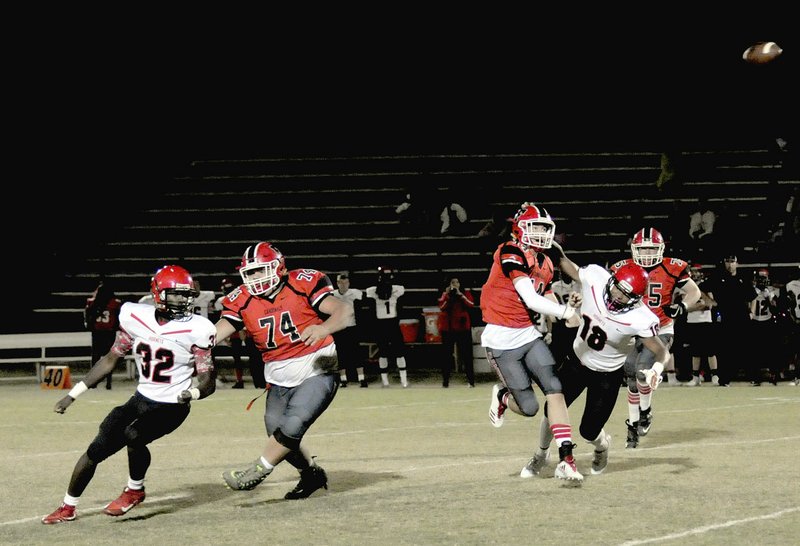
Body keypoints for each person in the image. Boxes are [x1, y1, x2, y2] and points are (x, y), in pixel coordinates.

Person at [42, 265, 217, 524]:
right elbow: (111, 358)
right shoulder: (135, 316)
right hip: (141, 398)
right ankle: (68, 507)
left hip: (172, 404)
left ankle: (134, 490)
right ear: (158, 294)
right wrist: (73, 394)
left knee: (133, 434)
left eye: (186, 295)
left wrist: (192, 393)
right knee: (97, 447)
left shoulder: (198, 328)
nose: (183, 300)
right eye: (176, 294)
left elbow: (207, 378)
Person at [217, 242, 353, 499]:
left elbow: (344, 311)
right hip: (278, 373)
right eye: (251, 273)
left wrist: (324, 328)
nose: (255, 278)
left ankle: (258, 470)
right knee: (277, 432)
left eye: (260, 270)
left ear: (278, 267)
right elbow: (217, 333)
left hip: (317, 363)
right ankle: (311, 473)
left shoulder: (303, 282)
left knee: (295, 422)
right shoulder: (241, 299)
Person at [523, 253, 669, 477]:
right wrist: (548, 240)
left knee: (588, 430)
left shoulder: (640, 318)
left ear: (636, 298)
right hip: (576, 361)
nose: (618, 295)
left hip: (607, 375)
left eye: (626, 293)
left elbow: (661, 351)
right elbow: (563, 260)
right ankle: (541, 454)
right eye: (617, 287)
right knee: (549, 409)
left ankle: (602, 447)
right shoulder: (596, 278)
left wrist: (656, 370)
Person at [480, 202, 584, 485]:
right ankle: (503, 396)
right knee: (529, 408)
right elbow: (528, 297)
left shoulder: (546, 259)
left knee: (554, 387)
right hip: (501, 337)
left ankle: (566, 458)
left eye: (543, 228)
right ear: (519, 229)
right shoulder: (509, 250)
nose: (540, 233)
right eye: (534, 227)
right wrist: (565, 313)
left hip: (527, 333)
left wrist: (564, 307)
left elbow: (545, 292)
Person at [609, 227, 700, 444]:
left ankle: (645, 411)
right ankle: (633, 424)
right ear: (634, 249)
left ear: (660, 249)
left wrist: (683, 307)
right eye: (643, 249)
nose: (647, 254)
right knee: (631, 376)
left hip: (660, 329)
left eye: (652, 249)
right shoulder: (624, 268)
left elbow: (694, 291)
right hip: (634, 330)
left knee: (642, 372)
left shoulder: (672, 267)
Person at [702, 255, 757, 386]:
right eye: (727, 261)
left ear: (737, 263)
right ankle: (725, 379)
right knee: (725, 349)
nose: (730, 264)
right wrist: (710, 301)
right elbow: (701, 288)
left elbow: (753, 296)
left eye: (732, 262)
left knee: (747, 347)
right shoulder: (717, 278)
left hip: (742, 317)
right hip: (725, 317)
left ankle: (754, 377)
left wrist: (752, 312)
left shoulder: (743, 279)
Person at [365, 266, 409, 388]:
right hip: (384, 324)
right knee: (385, 353)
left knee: (396, 352)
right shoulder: (395, 290)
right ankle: (390, 381)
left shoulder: (375, 290)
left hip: (389, 324)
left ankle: (400, 381)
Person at [681, 265, 720, 386]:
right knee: (695, 352)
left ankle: (715, 375)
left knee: (710, 351)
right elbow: (686, 307)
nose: (696, 274)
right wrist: (699, 305)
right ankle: (695, 377)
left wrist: (699, 295)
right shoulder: (686, 287)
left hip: (706, 321)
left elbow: (710, 304)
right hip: (692, 322)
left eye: (698, 272)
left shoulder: (706, 286)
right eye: (694, 272)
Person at [83, 280, 123, 390]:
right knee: (109, 358)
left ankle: (93, 382)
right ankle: (108, 381)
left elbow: (87, 315)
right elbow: (118, 317)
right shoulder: (115, 302)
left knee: (95, 358)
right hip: (109, 333)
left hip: (97, 333)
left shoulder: (92, 302)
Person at [437, 276, 476, 388]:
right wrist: (449, 296)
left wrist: (461, 296)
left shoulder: (465, 293)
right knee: (446, 356)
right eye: (452, 283)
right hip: (448, 328)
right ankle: (445, 382)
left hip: (462, 327)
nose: (455, 285)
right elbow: (442, 307)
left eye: (457, 282)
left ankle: (471, 381)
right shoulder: (445, 294)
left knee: (466, 355)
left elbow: (471, 304)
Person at [332, 272, 368, 388]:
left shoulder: (355, 293)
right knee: (341, 354)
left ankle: (361, 378)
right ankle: (343, 379)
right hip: (339, 328)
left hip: (352, 327)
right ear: (337, 283)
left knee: (356, 353)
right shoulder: (333, 294)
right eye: (341, 282)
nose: (343, 285)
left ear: (349, 283)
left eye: (345, 282)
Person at [214, 277, 246, 388]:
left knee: (238, 358)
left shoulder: (226, 300)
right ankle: (239, 379)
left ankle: (240, 380)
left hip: (237, 331)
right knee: (237, 359)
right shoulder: (237, 297)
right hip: (234, 331)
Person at [750, 268, 780, 385]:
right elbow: (748, 305)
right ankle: (756, 376)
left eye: (764, 277)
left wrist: (769, 297)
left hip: (768, 322)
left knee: (771, 350)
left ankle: (773, 374)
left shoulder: (771, 291)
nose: (762, 280)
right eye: (760, 277)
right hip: (756, 322)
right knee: (755, 351)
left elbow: (775, 308)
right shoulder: (752, 290)